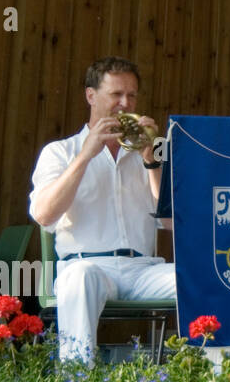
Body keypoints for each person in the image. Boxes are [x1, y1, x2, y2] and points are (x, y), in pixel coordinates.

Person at [29, 57, 173, 363]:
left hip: (143, 270)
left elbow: (171, 223)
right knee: (78, 278)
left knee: (198, 277)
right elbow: (44, 215)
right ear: (91, 96)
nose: (126, 103)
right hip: (87, 266)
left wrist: (150, 160)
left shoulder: (149, 157)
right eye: (116, 95)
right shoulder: (60, 152)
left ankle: (215, 377)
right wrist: (85, 156)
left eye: (132, 95)